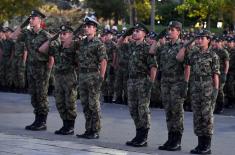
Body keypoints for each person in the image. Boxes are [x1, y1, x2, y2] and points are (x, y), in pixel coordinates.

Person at [11, 10, 53, 131]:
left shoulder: (46, 35)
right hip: (30, 68)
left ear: (40, 20)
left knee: (41, 96)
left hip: (42, 69)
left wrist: (48, 73)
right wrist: (24, 23)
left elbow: (51, 57)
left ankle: (43, 121)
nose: (31, 20)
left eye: (33, 18)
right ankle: (37, 120)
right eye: (30, 18)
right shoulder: (27, 33)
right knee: (34, 95)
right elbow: (13, 36)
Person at [119, 23, 157, 147]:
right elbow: (119, 44)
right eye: (134, 31)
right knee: (133, 108)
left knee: (143, 110)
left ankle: (143, 137)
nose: (135, 33)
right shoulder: (131, 46)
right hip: (131, 81)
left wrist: (150, 83)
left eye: (138, 31)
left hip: (142, 81)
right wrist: (126, 33)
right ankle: (138, 134)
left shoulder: (148, 48)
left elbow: (153, 67)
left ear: (144, 34)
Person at [185, 30, 220, 154]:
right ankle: (200, 145)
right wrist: (190, 41)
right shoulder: (194, 54)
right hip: (195, 87)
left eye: (202, 38)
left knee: (207, 117)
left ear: (208, 40)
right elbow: (180, 58)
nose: (199, 40)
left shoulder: (213, 55)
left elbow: (216, 75)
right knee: (197, 116)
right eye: (198, 38)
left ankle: (207, 146)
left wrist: (216, 91)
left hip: (207, 88)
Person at [76, 14, 107, 139]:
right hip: (83, 75)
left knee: (93, 104)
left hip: (93, 75)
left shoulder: (98, 43)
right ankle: (88, 129)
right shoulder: (82, 42)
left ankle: (95, 130)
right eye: (85, 26)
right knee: (85, 103)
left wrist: (101, 77)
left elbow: (103, 61)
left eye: (89, 26)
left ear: (95, 29)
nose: (86, 28)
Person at [157, 21, 187, 151]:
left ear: (179, 32)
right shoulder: (165, 46)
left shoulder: (183, 46)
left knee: (177, 112)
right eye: (169, 29)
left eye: (173, 29)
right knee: (168, 111)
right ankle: (170, 139)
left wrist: (185, 84)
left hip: (177, 82)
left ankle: (177, 141)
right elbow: (152, 52)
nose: (170, 31)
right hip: (165, 82)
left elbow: (187, 67)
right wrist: (159, 36)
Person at [46, 25, 78, 135]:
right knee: (60, 102)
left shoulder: (74, 47)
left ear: (70, 35)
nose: (62, 36)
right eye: (61, 34)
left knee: (70, 102)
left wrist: (71, 40)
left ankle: (70, 127)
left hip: (69, 77)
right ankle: (65, 125)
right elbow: (42, 49)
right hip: (58, 77)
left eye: (65, 34)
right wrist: (53, 38)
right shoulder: (56, 47)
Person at [213, 37, 229, 114]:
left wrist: (225, 74)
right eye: (215, 41)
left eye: (218, 42)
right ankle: (215, 105)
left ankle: (220, 106)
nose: (216, 43)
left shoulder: (224, 52)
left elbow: (227, 64)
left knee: (219, 90)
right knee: (214, 89)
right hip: (215, 73)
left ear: (221, 43)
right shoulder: (213, 51)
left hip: (221, 73)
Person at [226, 36, 235, 108]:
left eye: (230, 42)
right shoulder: (226, 51)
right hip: (227, 71)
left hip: (232, 71)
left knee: (230, 86)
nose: (229, 43)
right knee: (227, 86)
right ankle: (229, 100)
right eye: (228, 42)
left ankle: (231, 101)